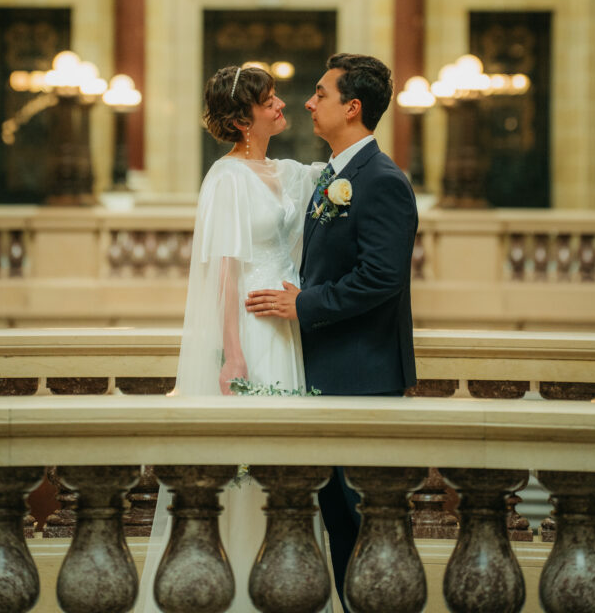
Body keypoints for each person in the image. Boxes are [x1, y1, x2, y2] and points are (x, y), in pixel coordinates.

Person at [137, 63, 330, 613]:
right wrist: (233, 353)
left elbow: (331, 177)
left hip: (287, 326)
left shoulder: (285, 171)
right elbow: (224, 270)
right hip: (250, 325)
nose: (281, 106)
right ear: (245, 118)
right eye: (269, 100)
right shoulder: (226, 179)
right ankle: (236, 589)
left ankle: (287, 585)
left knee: (287, 464)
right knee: (245, 463)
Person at [245, 53, 418, 613]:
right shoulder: (333, 176)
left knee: (370, 528)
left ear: (353, 107)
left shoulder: (382, 180)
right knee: (340, 525)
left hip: (364, 378)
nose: (308, 102)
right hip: (328, 375)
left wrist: (305, 304)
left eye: (320, 93)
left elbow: (383, 278)